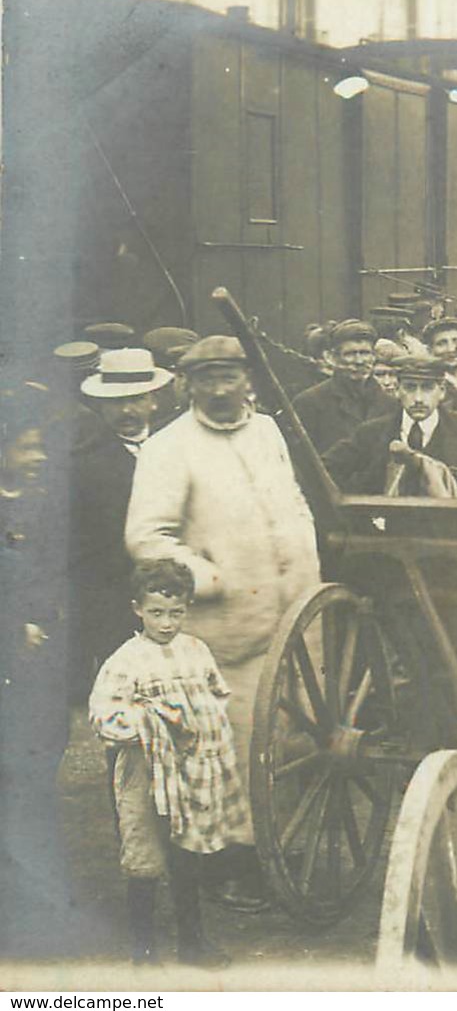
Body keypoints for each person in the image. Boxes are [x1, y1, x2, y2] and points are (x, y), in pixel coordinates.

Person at [125, 335, 321, 910]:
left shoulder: (267, 431)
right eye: (205, 377)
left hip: (294, 615)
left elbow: (293, 498)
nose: (218, 389)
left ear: (246, 379)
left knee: (289, 740)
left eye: (228, 376)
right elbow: (147, 539)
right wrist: (211, 578)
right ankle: (234, 864)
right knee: (234, 750)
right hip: (229, 630)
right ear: (186, 384)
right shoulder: (169, 447)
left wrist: (305, 553)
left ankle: (277, 848)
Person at [88, 560, 247, 969]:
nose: (166, 623)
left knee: (185, 855)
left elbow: (218, 694)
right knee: (144, 856)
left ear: (187, 609)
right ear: (138, 608)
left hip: (188, 771)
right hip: (144, 773)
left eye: (175, 613)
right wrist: (149, 720)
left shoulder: (196, 651)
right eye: (156, 613)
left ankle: (192, 946)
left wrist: (198, 724)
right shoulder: (126, 659)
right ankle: (143, 954)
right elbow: (103, 715)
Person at [0, 383, 76, 957]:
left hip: (38, 657)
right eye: (28, 447)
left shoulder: (43, 502)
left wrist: (44, 619)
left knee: (39, 761)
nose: (40, 456)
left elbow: (54, 568)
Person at [74, 349, 174, 696]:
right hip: (114, 602)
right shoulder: (83, 464)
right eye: (116, 403)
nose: (127, 411)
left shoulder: (177, 448)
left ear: (153, 401)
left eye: (136, 399)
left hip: (179, 596)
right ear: (100, 407)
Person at [322, 352, 457, 497]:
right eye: (410, 388)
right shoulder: (371, 433)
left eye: (427, 388)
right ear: (397, 390)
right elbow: (326, 470)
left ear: (442, 391)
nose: (418, 398)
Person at [290, 319, 395, 454]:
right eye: (350, 354)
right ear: (332, 358)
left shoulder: (390, 404)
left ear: (374, 356)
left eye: (365, 353)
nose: (359, 361)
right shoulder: (309, 403)